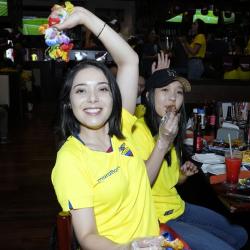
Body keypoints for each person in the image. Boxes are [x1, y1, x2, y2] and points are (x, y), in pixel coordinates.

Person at [51, 6, 165, 249]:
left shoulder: (121, 126)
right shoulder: (70, 159)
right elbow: (87, 236)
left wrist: (84, 17)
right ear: (69, 103)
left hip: (156, 241)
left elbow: (129, 60)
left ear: (114, 98)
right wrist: (131, 247)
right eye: (81, 90)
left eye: (102, 88)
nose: (93, 98)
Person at [132, 66, 248, 250]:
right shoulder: (138, 131)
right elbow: (138, 185)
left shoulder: (170, 126)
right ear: (148, 96)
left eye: (178, 92)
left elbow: (170, 180)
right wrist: (162, 142)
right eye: (165, 90)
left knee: (239, 235)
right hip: (156, 218)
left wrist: (182, 174)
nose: (173, 97)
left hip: (178, 207)